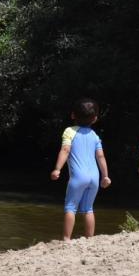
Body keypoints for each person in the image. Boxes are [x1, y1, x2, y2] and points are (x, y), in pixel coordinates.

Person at [50, 98, 111, 240]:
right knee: (88, 209)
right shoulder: (95, 136)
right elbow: (100, 156)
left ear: (73, 115)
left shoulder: (69, 131)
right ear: (95, 119)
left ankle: (66, 239)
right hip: (94, 177)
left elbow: (65, 150)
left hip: (78, 177)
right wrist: (105, 176)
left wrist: (57, 169)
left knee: (70, 207)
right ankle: (90, 239)